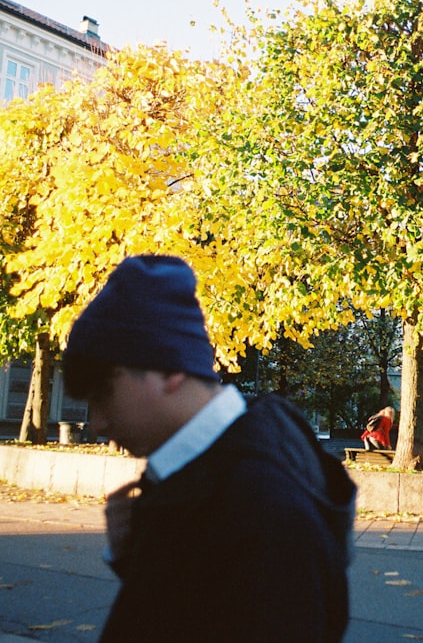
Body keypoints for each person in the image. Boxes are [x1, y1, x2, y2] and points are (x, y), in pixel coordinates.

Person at [63, 255, 356, 642]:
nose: (97, 421)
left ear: (169, 370)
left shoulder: (260, 505)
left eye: (103, 394)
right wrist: (138, 559)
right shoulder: (226, 464)